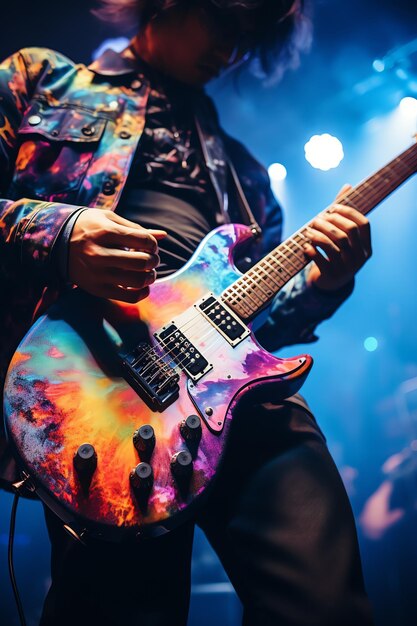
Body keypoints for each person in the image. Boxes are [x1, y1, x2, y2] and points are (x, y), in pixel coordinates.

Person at [0, 1, 374, 624]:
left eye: (246, 40)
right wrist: (60, 235)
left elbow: (260, 331)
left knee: (325, 605)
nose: (229, 52)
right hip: (102, 391)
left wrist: (322, 283)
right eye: (226, 24)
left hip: (233, 395)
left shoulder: (248, 181)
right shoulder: (41, 79)